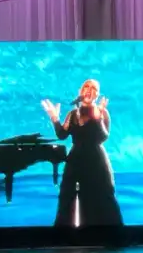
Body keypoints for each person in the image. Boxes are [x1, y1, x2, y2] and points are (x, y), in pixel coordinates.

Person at [41, 79, 123, 227]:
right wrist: (54, 118)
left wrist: (98, 118)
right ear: (80, 91)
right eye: (86, 86)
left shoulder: (102, 112)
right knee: (68, 195)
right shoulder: (73, 114)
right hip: (75, 160)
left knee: (102, 195)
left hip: (97, 161)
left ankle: (108, 232)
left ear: (97, 94)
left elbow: (103, 137)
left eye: (93, 88)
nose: (89, 90)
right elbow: (62, 134)